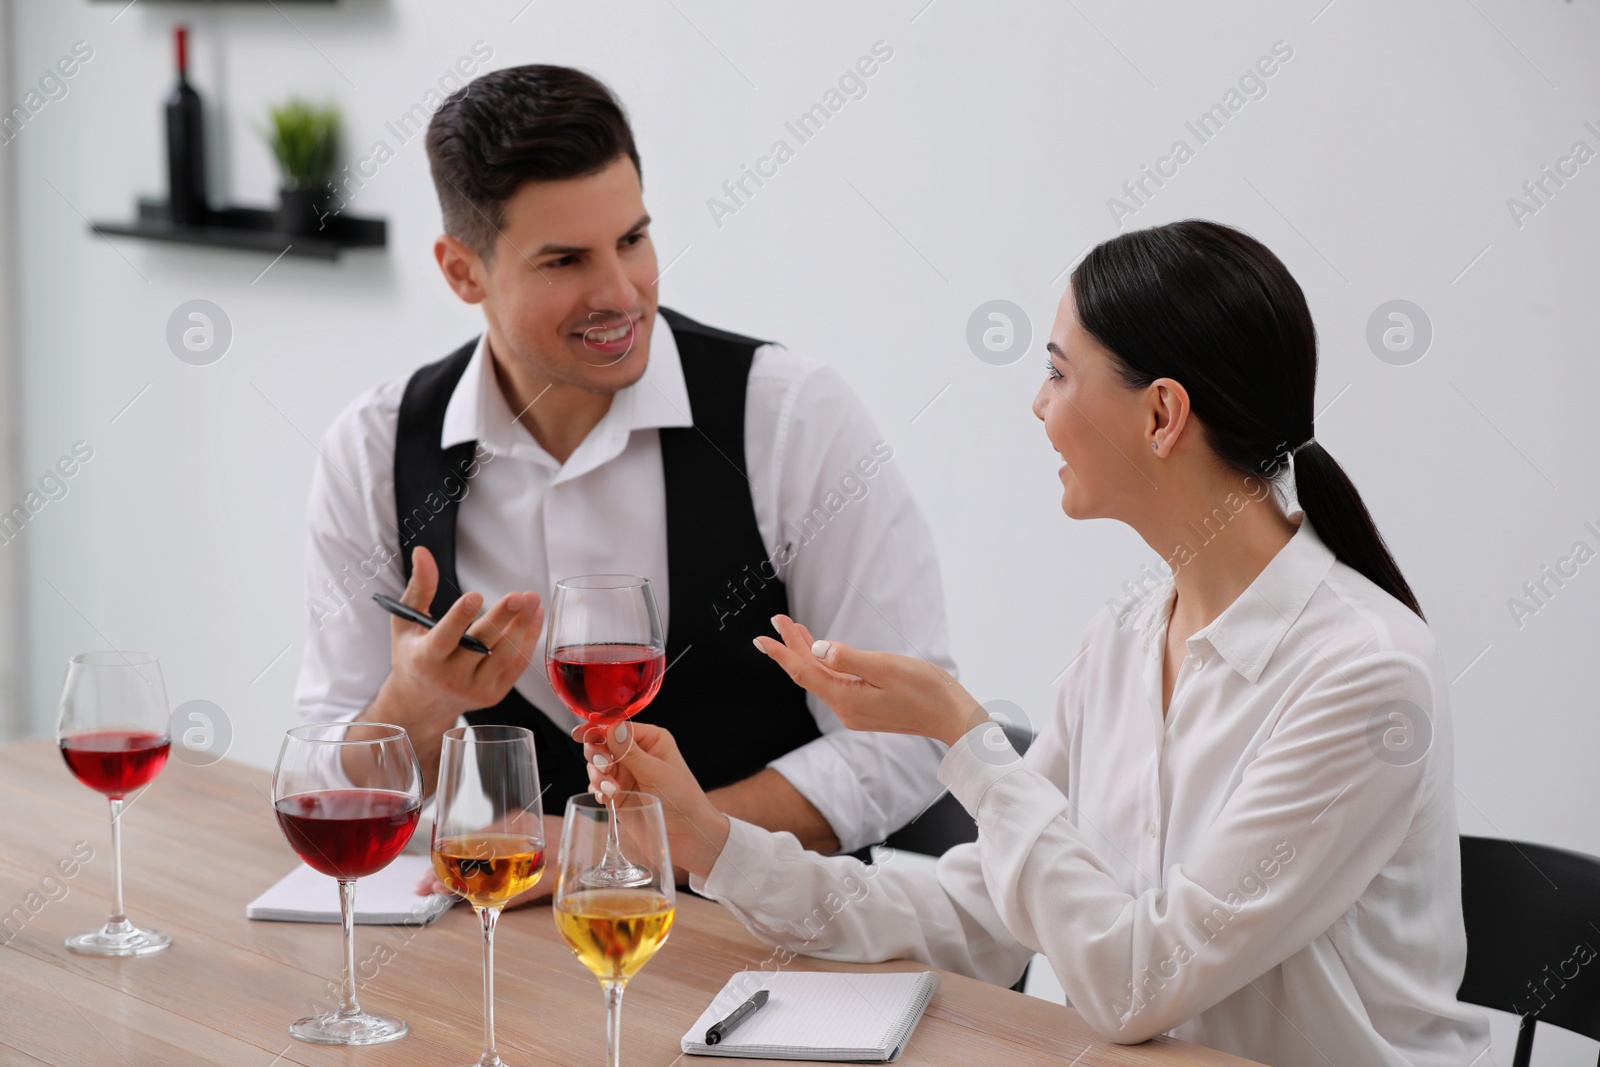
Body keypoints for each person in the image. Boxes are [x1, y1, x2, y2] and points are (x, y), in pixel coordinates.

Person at [579, 221, 1493, 1066]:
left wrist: (962, 733)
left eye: (1059, 372)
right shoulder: (1128, 640)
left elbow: (1136, 984)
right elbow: (976, 915)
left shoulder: (1365, 676)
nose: (1038, 405)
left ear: (1162, 415)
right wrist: (714, 842)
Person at [292, 64, 957, 903]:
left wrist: (614, 851)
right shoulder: (372, 448)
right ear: (463, 272)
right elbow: (325, 770)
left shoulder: (789, 419)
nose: (620, 294)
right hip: (503, 961)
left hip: (767, 954)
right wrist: (414, 702)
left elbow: (907, 740)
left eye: (633, 240)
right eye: (566, 259)